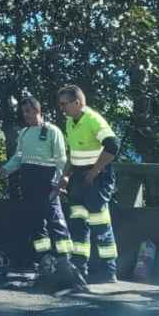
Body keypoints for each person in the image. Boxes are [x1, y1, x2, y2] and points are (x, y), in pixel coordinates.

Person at [0, 93, 74, 265]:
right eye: (23, 112)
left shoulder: (52, 131)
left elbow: (61, 159)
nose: (26, 115)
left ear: (38, 110)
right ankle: (44, 258)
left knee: (56, 220)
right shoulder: (24, 133)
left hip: (48, 183)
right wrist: (7, 169)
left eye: (29, 111)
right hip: (28, 181)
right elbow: (19, 157)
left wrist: (59, 182)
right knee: (36, 222)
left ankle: (65, 259)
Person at [57, 84, 121, 284]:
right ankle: (79, 267)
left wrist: (95, 171)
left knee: (99, 222)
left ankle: (109, 271)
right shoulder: (70, 121)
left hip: (96, 177)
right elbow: (73, 153)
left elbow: (113, 145)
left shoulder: (93, 119)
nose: (62, 108)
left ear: (77, 102)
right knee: (78, 222)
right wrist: (66, 175)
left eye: (64, 104)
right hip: (78, 177)